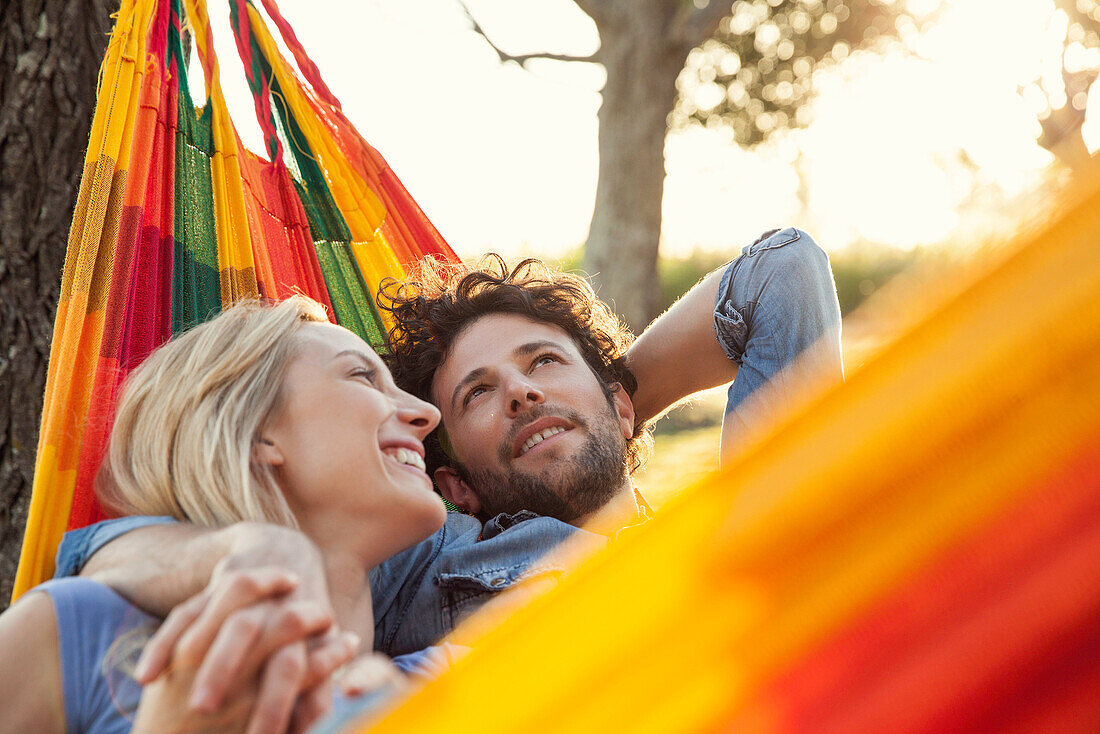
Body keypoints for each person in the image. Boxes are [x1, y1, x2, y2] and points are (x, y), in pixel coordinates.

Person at [52, 227, 844, 730]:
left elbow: (782, 274)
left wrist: (608, 402)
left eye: (541, 364)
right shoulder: (435, 555)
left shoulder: (757, 515)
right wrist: (240, 555)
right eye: (479, 394)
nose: (521, 390)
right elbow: (93, 553)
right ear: (454, 483)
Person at [0, 297, 459, 733]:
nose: (427, 413)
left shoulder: (467, 674)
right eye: (362, 377)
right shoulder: (76, 637)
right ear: (255, 430)